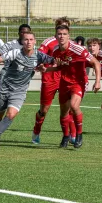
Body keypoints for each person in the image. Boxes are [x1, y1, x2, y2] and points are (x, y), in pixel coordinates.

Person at [0, 31, 55, 149]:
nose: (28, 42)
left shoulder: (39, 55)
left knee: (11, 114)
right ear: (22, 41)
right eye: (26, 40)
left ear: (35, 41)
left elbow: (53, 61)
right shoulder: (15, 53)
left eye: (31, 39)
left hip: (20, 91)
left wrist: (60, 63)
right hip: (5, 87)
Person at [49, 24, 101, 148]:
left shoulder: (78, 49)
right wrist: (45, 69)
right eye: (59, 34)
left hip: (79, 82)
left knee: (74, 106)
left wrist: (97, 81)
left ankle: (79, 134)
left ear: (69, 36)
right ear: (56, 36)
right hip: (64, 83)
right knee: (63, 113)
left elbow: (96, 62)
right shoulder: (56, 50)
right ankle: (65, 136)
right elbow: (59, 67)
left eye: (64, 34)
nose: (61, 36)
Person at [32, 17, 73, 145]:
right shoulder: (49, 42)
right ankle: (36, 131)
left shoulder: (71, 44)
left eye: (65, 28)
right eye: (60, 28)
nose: (62, 31)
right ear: (56, 29)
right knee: (44, 110)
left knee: (68, 109)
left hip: (64, 79)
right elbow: (38, 55)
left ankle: (71, 135)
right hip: (49, 79)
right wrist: (41, 66)